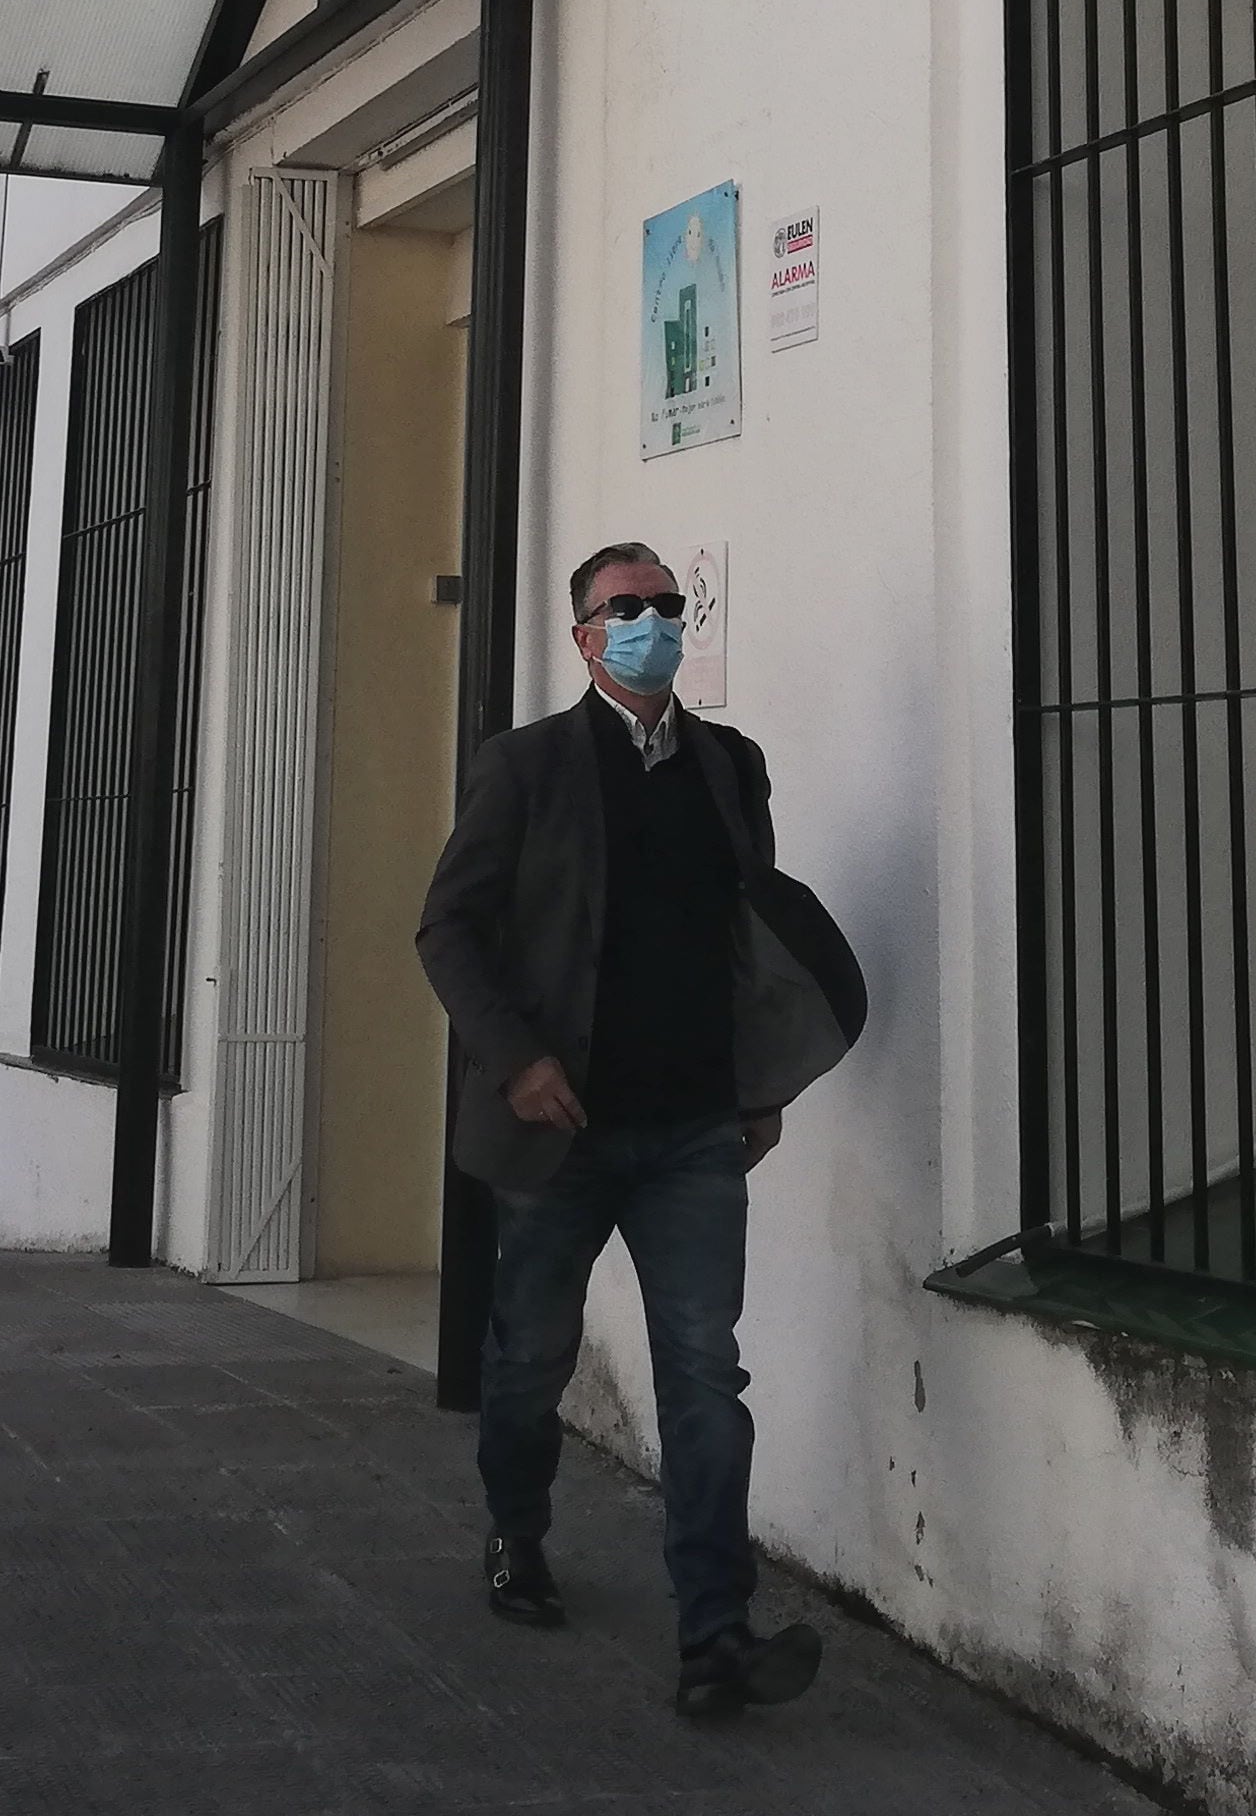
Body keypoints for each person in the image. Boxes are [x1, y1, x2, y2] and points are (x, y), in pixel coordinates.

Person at [415, 537, 834, 1721]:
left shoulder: (729, 766)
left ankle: (716, 1635)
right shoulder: (529, 767)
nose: (652, 620)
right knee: (529, 1359)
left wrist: (764, 1083)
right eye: (625, 606)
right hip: (562, 1128)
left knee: (706, 1375)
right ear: (584, 635)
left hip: (697, 1129)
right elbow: (448, 931)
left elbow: (747, 933)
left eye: (666, 602)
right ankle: (516, 1530)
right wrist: (517, 1060)